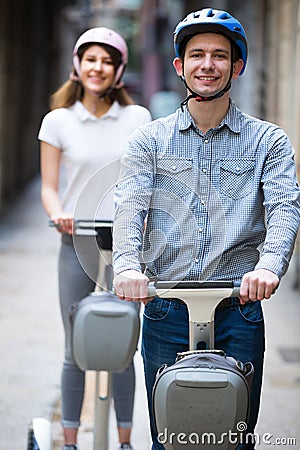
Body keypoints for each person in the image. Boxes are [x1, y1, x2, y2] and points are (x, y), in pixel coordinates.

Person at [112, 8, 300, 450]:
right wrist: (126, 266)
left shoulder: (268, 141)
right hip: (167, 309)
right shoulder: (149, 140)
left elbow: (284, 208)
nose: (207, 65)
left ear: (236, 66)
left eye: (219, 55)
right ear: (180, 66)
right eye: (196, 55)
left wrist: (270, 267)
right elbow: (129, 205)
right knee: (171, 437)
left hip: (239, 309)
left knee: (233, 437)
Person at [38, 27, 151, 450]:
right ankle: (69, 441)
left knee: (123, 346)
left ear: (119, 69)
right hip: (76, 241)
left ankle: (123, 442)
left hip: (125, 247)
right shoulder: (58, 120)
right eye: (90, 59)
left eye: (106, 60)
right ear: (77, 65)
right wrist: (58, 214)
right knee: (76, 346)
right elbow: (50, 186)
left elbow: (148, 180)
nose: (97, 68)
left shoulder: (138, 119)